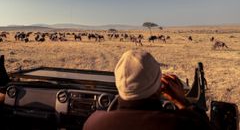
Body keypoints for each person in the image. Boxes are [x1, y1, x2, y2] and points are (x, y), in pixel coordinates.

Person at [83, 50, 213, 130]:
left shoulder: (93, 123)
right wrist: (182, 101)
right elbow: (204, 125)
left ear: (118, 83)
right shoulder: (183, 124)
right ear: (158, 86)